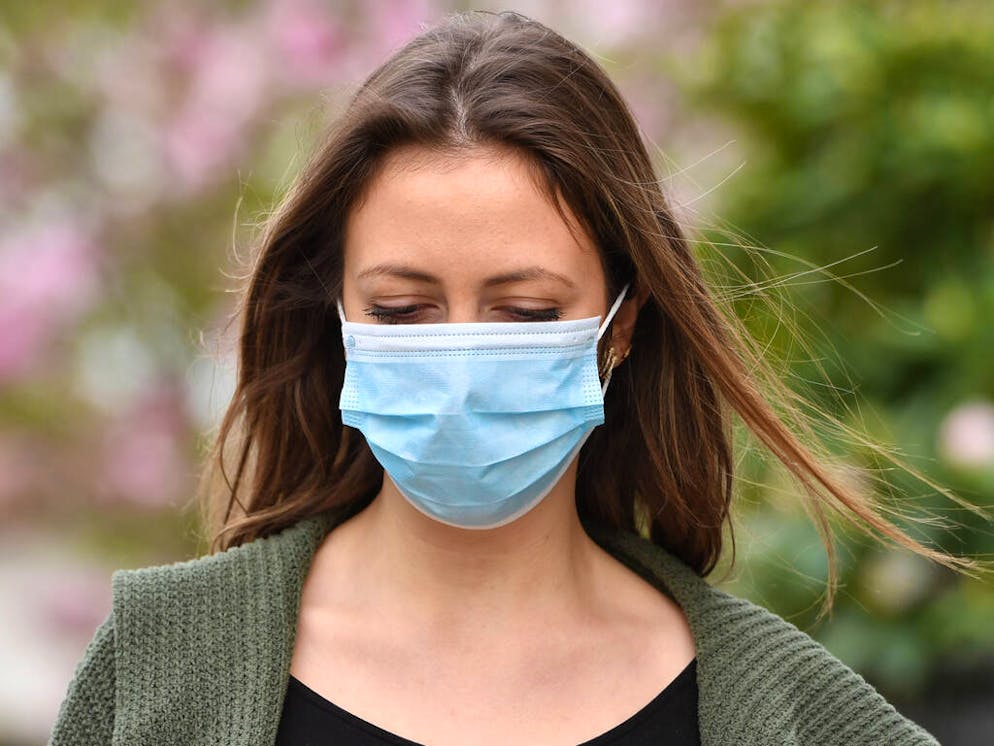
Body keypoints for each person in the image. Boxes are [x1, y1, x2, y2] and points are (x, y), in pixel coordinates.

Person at [51, 10, 963, 745]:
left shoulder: (799, 718)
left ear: (623, 325)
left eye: (524, 313)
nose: (460, 363)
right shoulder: (157, 671)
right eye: (403, 311)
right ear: (335, 315)